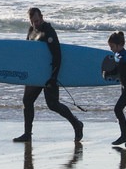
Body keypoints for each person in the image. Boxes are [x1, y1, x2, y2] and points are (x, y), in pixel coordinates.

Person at [14, 7, 83, 143]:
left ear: (42, 17)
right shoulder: (31, 31)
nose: (36, 24)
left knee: (53, 104)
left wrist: (53, 77)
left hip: (49, 74)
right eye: (33, 22)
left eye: (38, 21)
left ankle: (77, 124)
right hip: (35, 74)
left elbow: (57, 56)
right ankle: (27, 134)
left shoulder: (49, 32)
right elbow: (29, 53)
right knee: (27, 101)